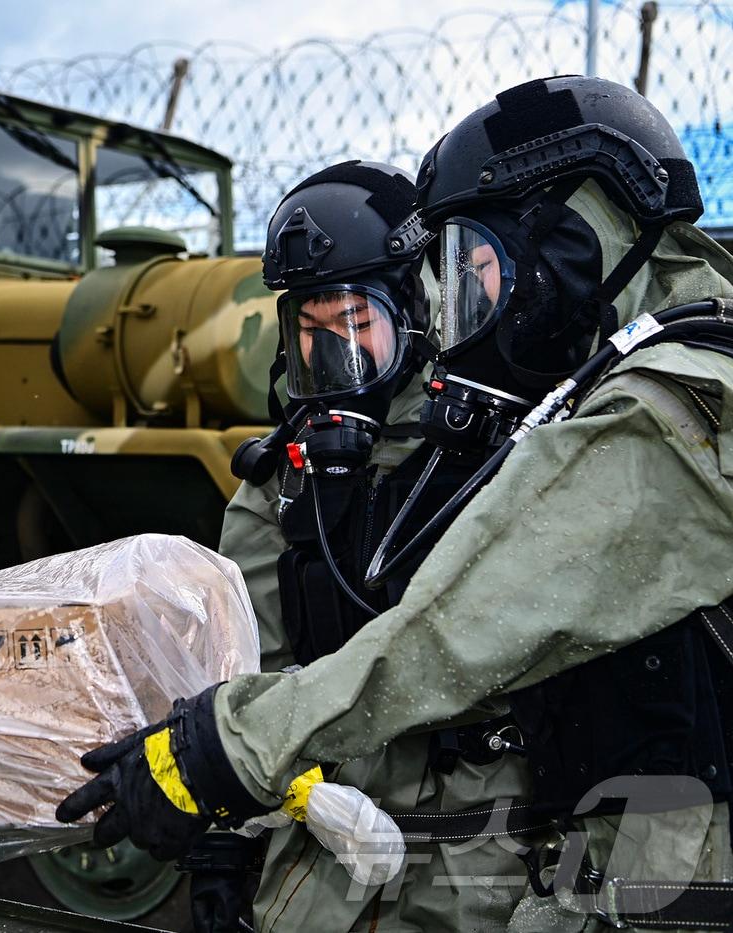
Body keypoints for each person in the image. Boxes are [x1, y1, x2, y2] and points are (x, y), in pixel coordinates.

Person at [60, 76, 733, 932]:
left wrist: (232, 748)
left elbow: (470, 624)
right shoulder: (634, 380)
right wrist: (227, 843)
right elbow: (241, 650)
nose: (480, 310)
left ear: (572, 241)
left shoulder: (676, 400)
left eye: (483, 267)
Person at [211, 161, 536, 932]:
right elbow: (237, 673)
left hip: (477, 852)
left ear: (417, 311)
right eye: (312, 328)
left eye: (356, 321)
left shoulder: (503, 455)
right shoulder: (281, 487)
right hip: (325, 858)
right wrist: (232, 838)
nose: (335, 353)